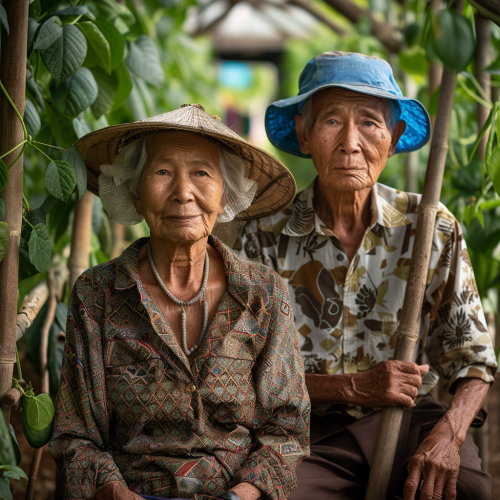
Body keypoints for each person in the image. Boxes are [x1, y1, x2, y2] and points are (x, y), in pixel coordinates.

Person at [237, 52, 497, 500]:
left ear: (394, 138)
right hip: (302, 433)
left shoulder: (430, 227)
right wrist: (355, 387)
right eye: (332, 121)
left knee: (464, 489)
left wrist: (448, 436)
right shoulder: (262, 236)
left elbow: (473, 361)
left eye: (370, 124)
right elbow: (245, 373)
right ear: (303, 133)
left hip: (410, 425)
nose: (350, 143)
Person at [49, 104, 310, 500]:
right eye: (163, 172)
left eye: (202, 173)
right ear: (135, 194)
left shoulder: (263, 293)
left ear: (226, 195)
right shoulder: (98, 294)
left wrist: (242, 495)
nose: (183, 192)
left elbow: (287, 429)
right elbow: (74, 433)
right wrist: (114, 491)